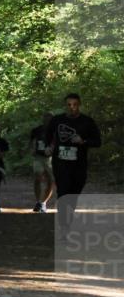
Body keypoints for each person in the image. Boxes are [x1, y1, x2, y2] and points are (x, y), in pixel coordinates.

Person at [45, 93, 102, 232]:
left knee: (73, 194)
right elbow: (47, 135)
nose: (72, 107)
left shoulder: (87, 121)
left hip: (79, 164)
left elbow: (97, 142)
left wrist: (83, 141)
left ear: (79, 105)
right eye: (69, 105)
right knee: (63, 192)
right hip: (60, 163)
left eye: (75, 104)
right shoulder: (57, 120)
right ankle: (64, 226)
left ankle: (67, 220)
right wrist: (48, 146)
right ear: (65, 106)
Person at [28, 112, 54, 212]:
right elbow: (31, 143)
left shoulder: (56, 131)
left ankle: (43, 203)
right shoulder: (36, 130)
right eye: (46, 118)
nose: (47, 120)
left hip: (50, 158)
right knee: (37, 176)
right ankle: (38, 201)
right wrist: (32, 149)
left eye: (50, 119)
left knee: (51, 180)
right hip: (38, 157)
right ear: (43, 119)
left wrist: (52, 149)